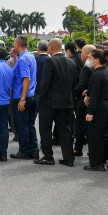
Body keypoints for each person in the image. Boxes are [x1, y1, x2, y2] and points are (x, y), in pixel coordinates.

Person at [35, 38, 77, 167]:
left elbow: (45, 83)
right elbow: (74, 83)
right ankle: (69, 158)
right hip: (66, 101)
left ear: (51, 48)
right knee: (65, 130)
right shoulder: (71, 62)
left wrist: (40, 98)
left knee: (45, 129)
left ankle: (48, 156)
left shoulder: (50, 61)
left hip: (49, 102)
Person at [83, 49, 108, 171]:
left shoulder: (98, 73)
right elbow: (95, 89)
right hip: (103, 106)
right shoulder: (102, 70)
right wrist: (88, 92)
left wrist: (90, 112)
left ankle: (97, 163)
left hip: (99, 107)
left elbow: (96, 94)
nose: (88, 60)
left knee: (95, 137)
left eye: (90, 58)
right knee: (100, 135)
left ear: (96, 59)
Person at [9, 36, 38, 160]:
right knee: (30, 125)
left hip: (22, 95)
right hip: (31, 95)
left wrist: (22, 98)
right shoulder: (30, 56)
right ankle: (34, 149)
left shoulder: (23, 59)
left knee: (22, 125)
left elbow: (26, 78)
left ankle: (24, 150)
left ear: (16, 44)